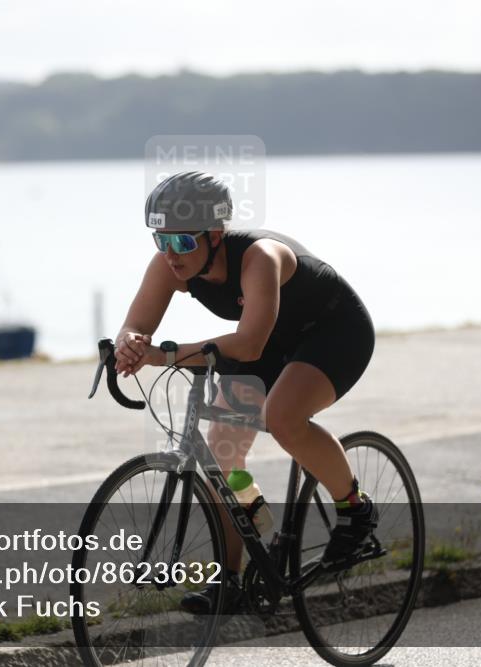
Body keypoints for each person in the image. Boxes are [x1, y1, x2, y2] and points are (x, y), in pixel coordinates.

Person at [114, 171, 378, 614]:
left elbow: (250, 343)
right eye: (161, 241)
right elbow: (137, 323)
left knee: (283, 417)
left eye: (182, 242)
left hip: (332, 332)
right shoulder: (170, 265)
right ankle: (234, 574)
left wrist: (162, 356)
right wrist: (130, 342)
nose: (170, 254)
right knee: (222, 458)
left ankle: (355, 509)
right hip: (267, 341)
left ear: (215, 235)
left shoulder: (259, 257)